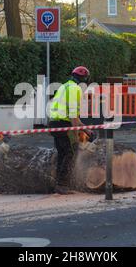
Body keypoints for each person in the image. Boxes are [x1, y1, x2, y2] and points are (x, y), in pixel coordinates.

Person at [49, 66, 92, 195]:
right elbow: (73, 116)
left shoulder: (63, 87)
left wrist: (86, 130)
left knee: (62, 154)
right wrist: (76, 134)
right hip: (64, 125)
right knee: (70, 153)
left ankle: (57, 184)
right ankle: (62, 185)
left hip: (54, 123)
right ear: (84, 79)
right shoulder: (75, 89)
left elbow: (73, 117)